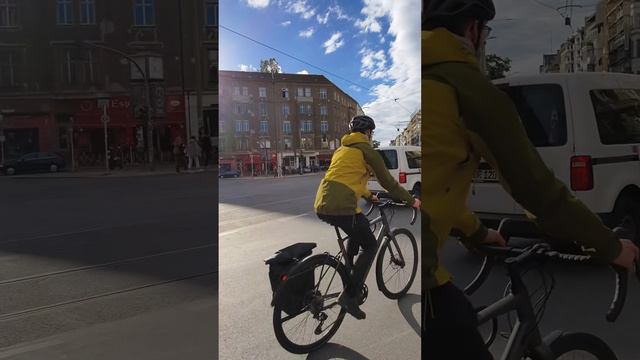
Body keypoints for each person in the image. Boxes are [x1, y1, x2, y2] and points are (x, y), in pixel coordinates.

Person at [422, 1, 640, 359]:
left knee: (461, 312)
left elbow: (431, 195)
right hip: (426, 277)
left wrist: (478, 232)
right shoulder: (468, 87)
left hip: (435, 262)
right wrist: (612, 247)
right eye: (485, 35)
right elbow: (539, 193)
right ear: (474, 30)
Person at [314, 115, 422, 320]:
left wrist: (369, 196)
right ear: (368, 133)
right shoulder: (367, 151)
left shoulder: (341, 149)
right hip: (342, 205)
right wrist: (411, 201)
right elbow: (389, 183)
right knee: (371, 245)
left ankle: (348, 271)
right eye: (371, 133)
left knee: (358, 226)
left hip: (322, 203)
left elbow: (347, 178)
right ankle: (349, 296)